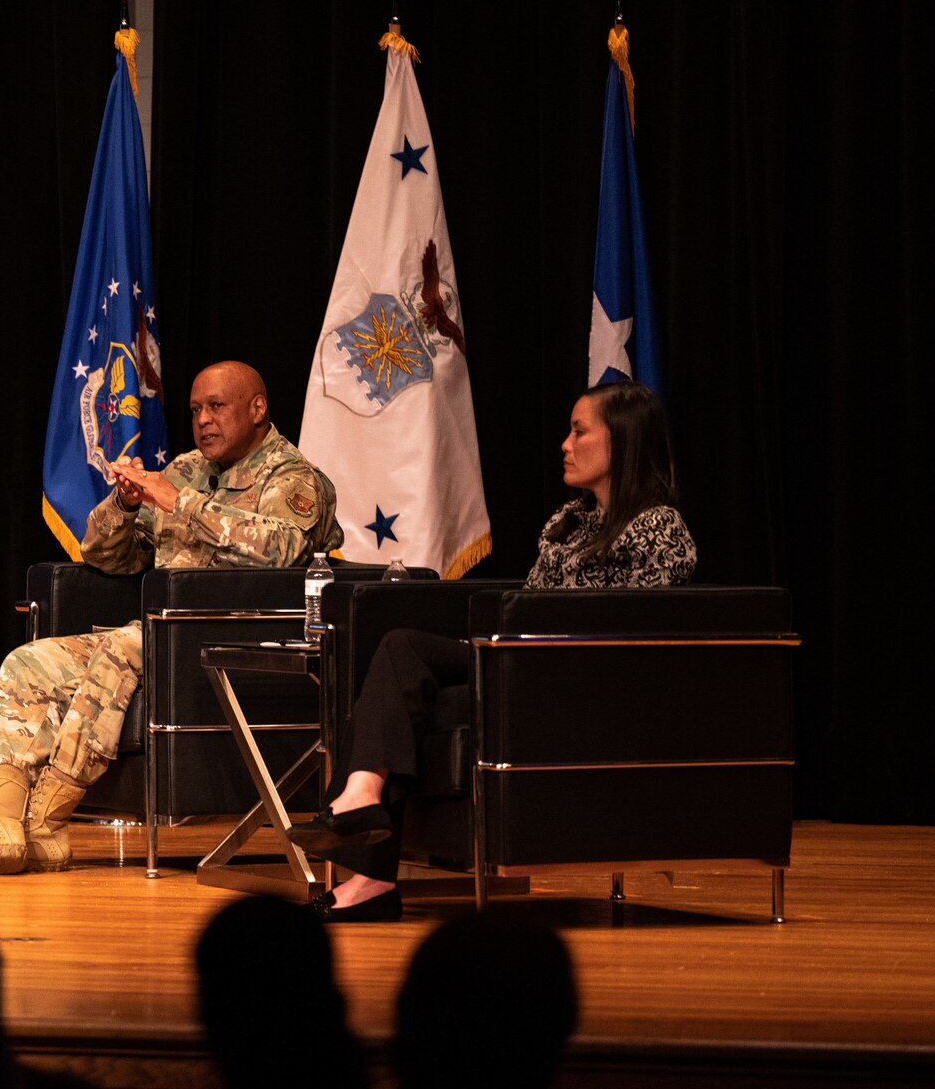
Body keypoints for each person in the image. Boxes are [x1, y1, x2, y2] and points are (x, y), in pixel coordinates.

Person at [0, 360, 343, 874]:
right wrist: (126, 504)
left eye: (217, 407)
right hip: (156, 637)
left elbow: (280, 552)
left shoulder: (293, 478)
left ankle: (45, 820)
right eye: (196, 409)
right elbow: (106, 556)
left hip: (240, 643)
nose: (203, 421)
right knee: (28, 662)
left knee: (123, 646)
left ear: (258, 408)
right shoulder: (184, 469)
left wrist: (180, 503)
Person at [292, 380, 697, 921]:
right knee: (399, 674)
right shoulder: (568, 523)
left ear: (622, 441)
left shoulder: (658, 529)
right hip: (522, 663)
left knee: (403, 653)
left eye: (579, 431)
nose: (564, 444)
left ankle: (366, 848)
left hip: (578, 679)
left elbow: (633, 633)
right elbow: (527, 602)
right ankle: (368, 852)